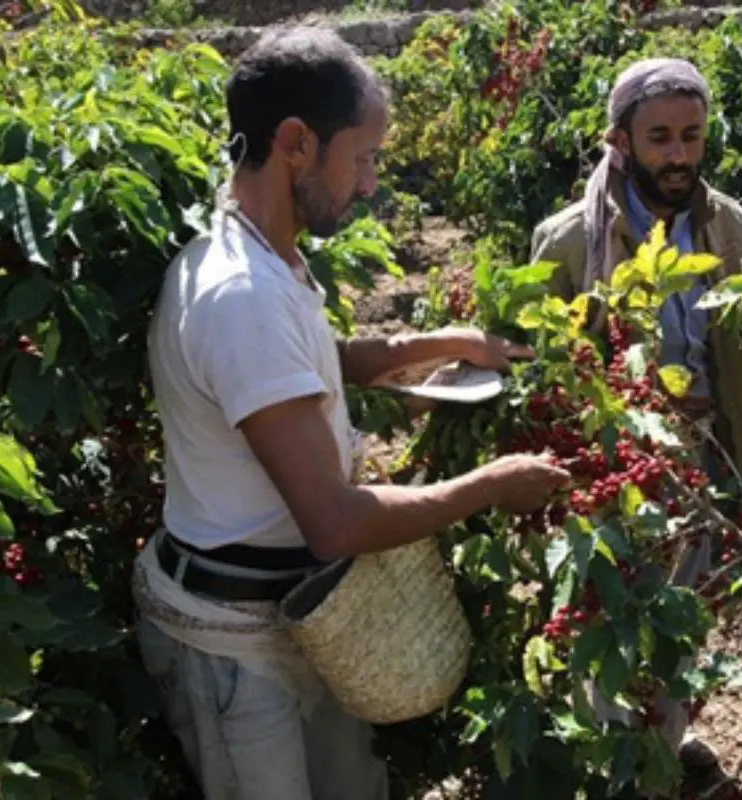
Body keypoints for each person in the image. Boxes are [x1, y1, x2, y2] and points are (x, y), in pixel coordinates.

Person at [133, 27, 570, 800]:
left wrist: (435, 345)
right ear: (297, 143)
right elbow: (335, 522)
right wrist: (491, 484)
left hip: (294, 614)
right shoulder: (242, 298)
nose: (370, 184)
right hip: (235, 637)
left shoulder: (260, 255)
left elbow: (306, 358)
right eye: (363, 158)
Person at [529, 57, 742, 794]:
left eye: (691, 137)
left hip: (700, 450)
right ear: (621, 140)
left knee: (681, 616)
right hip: (613, 462)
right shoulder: (571, 239)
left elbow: (741, 338)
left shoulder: (725, 221)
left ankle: (661, 749)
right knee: (610, 614)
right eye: (659, 137)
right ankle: (614, 763)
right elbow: (536, 367)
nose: (677, 155)